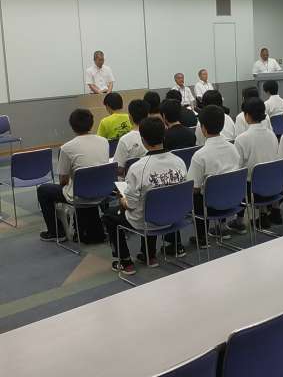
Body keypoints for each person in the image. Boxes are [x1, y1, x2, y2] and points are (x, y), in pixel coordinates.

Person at [103, 118, 187, 273]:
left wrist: (122, 199)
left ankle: (125, 262)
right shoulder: (179, 161)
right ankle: (149, 255)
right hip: (175, 216)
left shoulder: (138, 168)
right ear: (164, 136)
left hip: (149, 221)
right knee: (152, 201)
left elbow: (131, 205)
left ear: (143, 140)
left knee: (110, 215)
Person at [37, 109, 109, 241]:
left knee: (43, 190)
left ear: (72, 126)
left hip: (80, 195)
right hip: (103, 192)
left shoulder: (67, 148)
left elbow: (63, 180)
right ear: (92, 123)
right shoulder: (104, 141)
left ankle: (56, 232)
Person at [188, 105, 240, 246]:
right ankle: (221, 226)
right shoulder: (233, 148)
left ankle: (202, 238)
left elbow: (193, 187)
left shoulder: (200, 155)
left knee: (196, 195)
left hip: (211, 205)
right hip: (234, 199)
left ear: (203, 128)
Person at [231, 97, 280, 232]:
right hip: (275, 185)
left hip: (253, 190)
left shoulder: (242, 139)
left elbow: (237, 169)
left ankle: (239, 221)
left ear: (247, 115)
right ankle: (264, 213)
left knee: (237, 178)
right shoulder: (272, 135)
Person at [113, 99, 149, 176]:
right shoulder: (156, 134)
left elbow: (118, 169)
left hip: (131, 178)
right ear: (147, 115)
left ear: (130, 117)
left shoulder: (125, 140)